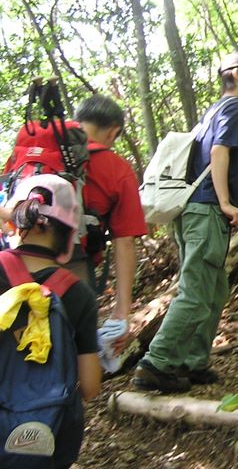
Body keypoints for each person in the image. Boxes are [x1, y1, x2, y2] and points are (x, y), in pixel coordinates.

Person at [134, 52, 238, 392]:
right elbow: (219, 152)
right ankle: (157, 363)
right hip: (206, 208)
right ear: (237, 74)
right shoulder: (236, 107)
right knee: (197, 291)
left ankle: (192, 362)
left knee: (213, 289)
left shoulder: (214, 109)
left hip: (193, 211)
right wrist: (225, 202)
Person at [1, 174, 101, 468]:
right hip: (50, 434)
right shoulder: (79, 294)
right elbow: (90, 386)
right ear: (70, 234)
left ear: (16, 221)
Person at [70, 94, 148, 356]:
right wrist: (121, 311)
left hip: (13, 269)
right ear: (114, 131)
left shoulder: (35, 154)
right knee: (76, 358)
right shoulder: (117, 169)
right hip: (73, 276)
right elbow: (124, 241)